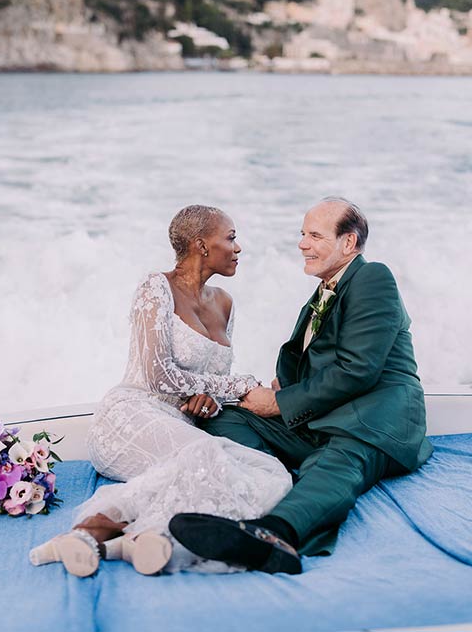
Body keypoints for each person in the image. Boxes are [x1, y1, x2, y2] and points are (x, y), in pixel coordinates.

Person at [169, 197, 433, 575]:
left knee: (339, 459)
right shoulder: (323, 292)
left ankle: (275, 535)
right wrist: (280, 388)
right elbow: (322, 360)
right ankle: (280, 484)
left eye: (314, 235)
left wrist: (279, 403)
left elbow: (358, 369)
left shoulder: (373, 278)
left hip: (374, 421)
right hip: (323, 418)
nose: (302, 244)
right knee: (223, 417)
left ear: (348, 243)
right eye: (302, 234)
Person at [29, 205, 291, 577]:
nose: (238, 247)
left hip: (180, 426)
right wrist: (242, 387)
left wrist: (210, 402)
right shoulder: (156, 286)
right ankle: (87, 532)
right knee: (206, 458)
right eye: (230, 238)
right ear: (201, 245)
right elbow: (159, 377)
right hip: (130, 416)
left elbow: (204, 380)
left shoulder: (226, 303)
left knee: (270, 472)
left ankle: (130, 541)